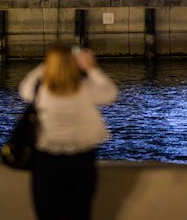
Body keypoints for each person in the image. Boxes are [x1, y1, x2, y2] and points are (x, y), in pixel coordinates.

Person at [19, 46, 118, 220]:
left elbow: (25, 85)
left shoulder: (39, 92)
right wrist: (91, 68)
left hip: (47, 161)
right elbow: (110, 93)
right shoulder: (85, 90)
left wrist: (50, 63)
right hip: (81, 160)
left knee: (47, 214)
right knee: (79, 213)